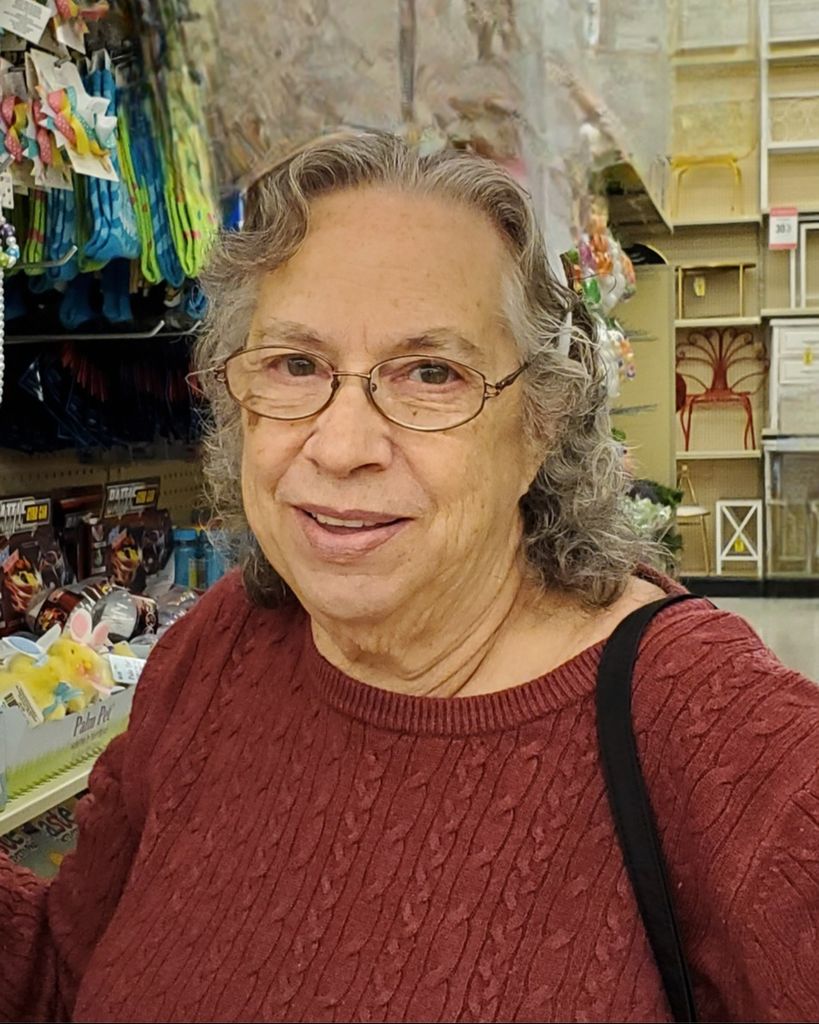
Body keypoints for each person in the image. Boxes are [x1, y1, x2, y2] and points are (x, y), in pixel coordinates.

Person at [1, 131, 817, 1024]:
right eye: (295, 365)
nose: (342, 446)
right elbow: (64, 975)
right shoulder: (219, 646)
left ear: (540, 423)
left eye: (432, 372)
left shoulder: (721, 741)